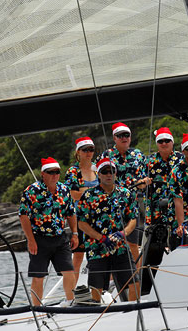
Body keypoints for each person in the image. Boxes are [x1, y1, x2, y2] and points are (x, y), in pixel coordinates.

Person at [77, 158, 140, 302]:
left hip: (121, 247)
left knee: (134, 283)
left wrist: (123, 233)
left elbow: (133, 218)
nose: (108, 174)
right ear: (98, 174)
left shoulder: (125, 193)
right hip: (97, 248)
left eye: (111, 171)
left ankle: (132, 314)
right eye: (104, 172)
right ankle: (98, 316)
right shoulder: (88, 196)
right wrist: (101, 238)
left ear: (116, 173)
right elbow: (82, 224)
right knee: (96, 288)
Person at [18, 157, 78, 306]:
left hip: (60, 238)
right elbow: (23, 215)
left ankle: (71, 303)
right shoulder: (31, 191)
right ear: (43, 174)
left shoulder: (64, 190)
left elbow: (71, 213)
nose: (54, 175)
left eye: (57, 172)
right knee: (38, 276)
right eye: (50, 172)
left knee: (69, 271)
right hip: (39, 239)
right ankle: (37, 309)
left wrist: (75, 233)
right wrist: (30, 240)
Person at [97, 122, 150, 266]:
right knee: (113, 243)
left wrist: (144, 182)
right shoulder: (106, 155)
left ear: (130, 137)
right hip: (111, 206)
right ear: (114, 138)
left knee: (133, 242)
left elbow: (147, 176)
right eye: (120, 135)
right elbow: (99, 180)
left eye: (126, 135)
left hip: (133, 204)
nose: (124, 138)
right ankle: (115, 279)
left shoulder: (138, 154)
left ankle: (137, 276)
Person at [141, 127, 184, 294]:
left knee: (179, 252)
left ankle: (179, 288)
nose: (164, 143)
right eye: (161, 141)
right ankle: (148, 293)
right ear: (157, 144)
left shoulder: (181, 159)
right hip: (156, 216)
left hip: (177, 216)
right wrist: (143, 182)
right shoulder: (149, 162)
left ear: (173, 142)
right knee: (151, 257)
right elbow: (138, 183)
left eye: (167, 140)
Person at [64, 137, 98, 285]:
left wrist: (84, 191)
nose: (89, 153)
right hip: (80, 218)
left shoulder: (97, 168)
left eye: (91, 149)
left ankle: (100, 289)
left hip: (99, 218)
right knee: (78, 257)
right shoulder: (73, 171)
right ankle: (71, 293)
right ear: (78, 152)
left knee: (99, 255)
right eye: (85, 150)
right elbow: (71, 194)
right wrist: (93, 192)